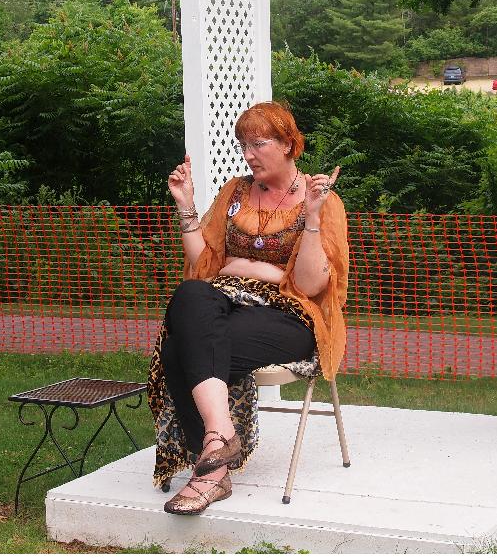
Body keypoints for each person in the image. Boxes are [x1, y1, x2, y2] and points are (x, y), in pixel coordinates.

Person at [148, 101, 349, 515]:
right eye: (243, 145)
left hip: (289, 315)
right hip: (227, 302)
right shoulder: (235, 192)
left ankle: (210, 471)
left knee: (180, 348)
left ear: (288, 144)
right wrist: (185, 204)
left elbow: (310, 286)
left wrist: (311, 219)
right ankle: (219, 440)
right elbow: (204, 266)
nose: (249, 154)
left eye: (259, 144)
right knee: (190, 295)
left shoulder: (322, 200)